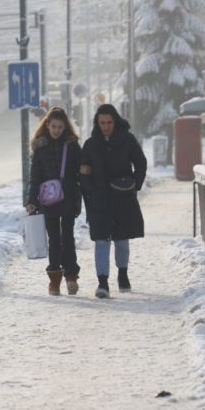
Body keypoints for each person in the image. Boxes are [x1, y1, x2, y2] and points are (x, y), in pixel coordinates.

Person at [79, 103, 147, 299]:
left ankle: (123, 274)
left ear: (115, 121)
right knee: (101, 240)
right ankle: (102, 282)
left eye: (109, 122)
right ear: (97, 123)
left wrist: (135, 184)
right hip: (99, 199)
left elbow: (140, 162)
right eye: (102, 123)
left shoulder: (127, 140)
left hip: (123, 197)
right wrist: (90, 191)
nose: (106, 126)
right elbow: (83, 172)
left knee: (121, 239)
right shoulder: (91, 144)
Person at [25, 106, 82, 296]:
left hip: (68, 197)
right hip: (48, 201)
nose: (57, 130)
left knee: (68, 238)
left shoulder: (72, 146)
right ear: (47, 125)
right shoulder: (40, 148)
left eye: (60, 127)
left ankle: (71, 276)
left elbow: (80, 171)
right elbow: (35, 177)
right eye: (54, 126)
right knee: (54, 240)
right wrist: (31, 201)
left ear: (65, 127)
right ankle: (55, 278)